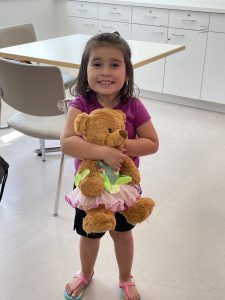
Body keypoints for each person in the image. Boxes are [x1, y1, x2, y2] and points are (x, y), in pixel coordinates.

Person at [60, 32, 159, 300]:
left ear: (127, 73)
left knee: (123, 236)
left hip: (123, 187)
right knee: (90, 235)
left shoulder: (134, 106)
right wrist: (103, 150)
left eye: (115, 64)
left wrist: (121, 149)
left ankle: (125, 278)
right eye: (97, 63)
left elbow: (152, 143)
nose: (106, 71)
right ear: (85, 70)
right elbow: (68, 142)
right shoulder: (80, 105)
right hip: (88, 187)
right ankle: (85, 273)